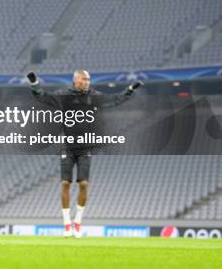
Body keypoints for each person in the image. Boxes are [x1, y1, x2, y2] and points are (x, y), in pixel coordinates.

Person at [27, 70, 143, 238]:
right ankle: (67, 224)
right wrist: (34, 83)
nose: (87, 82)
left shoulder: (94, 96)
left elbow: (115, 99)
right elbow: (43, 97)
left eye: (88, 79)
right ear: (76, 80)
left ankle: (78, 223)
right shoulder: (64, 96)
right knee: (65, 183)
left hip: (86, 147)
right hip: (68, 146)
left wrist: (130, 89)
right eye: (84, 79)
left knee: (84, 184)